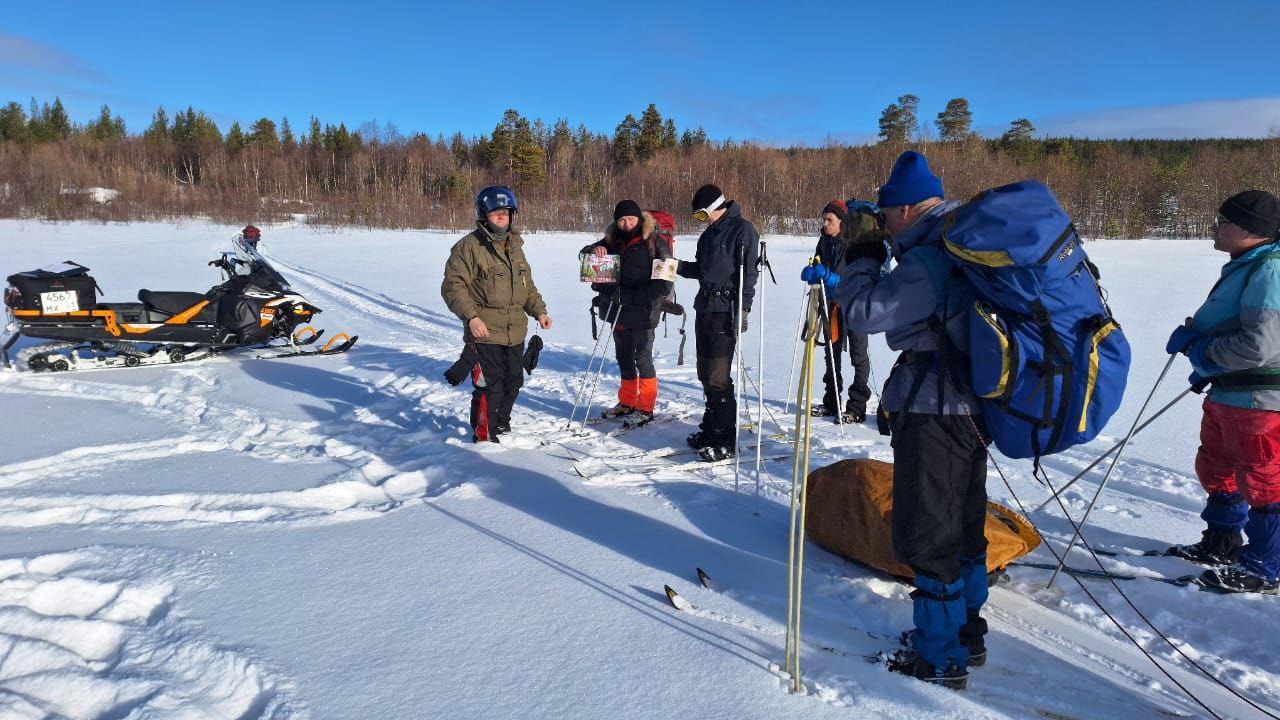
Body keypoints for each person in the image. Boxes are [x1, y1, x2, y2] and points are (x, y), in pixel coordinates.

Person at [814, 151, 985, 690]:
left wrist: (860, 257)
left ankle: (939, 656)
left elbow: (864, 312)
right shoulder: (953, 246)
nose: (884, 224)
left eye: (887, 214)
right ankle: (965, 632)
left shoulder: (930, 260)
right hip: (969, 407)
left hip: (936, 408)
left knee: (929, 532)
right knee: (963, 523)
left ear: (908, 208)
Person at [1165, 189, 1280, 593]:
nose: (1214, 227)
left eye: (1223, 221)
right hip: (1228, 394)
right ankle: (1222, 542)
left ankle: (1266, 567)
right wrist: (1205, 358)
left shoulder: (1270, 271)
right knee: (1215, 467)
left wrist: (1203, 351)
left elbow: (1260, 346)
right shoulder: (1246, 264)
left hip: (1258, 400)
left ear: (1250, 230)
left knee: (1262, 480)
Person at [441, 185, 552, 442]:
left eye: (506, 212)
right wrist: (472, 317)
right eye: (495, 213)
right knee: (490, 387)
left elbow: (527, 286)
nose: (501, 217)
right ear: (484, 214)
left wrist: (539, 311)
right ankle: (484, 435)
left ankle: (500, 424)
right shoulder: (469, 247)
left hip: (515, 332)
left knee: (514, 382)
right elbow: (453, 285)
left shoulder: (515, 248)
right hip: (485, 332)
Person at [677, 184, 759, 461]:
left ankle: (725, 438)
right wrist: (674, 266)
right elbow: (701, 270)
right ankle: (711, 429)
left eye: (701, 215)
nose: (700, 220)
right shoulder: (708, 235)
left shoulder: (742, 230)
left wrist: (744, 309)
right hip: (706, 307)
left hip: (727, 310)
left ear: (714, 207)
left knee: (718, 375)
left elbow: (748, 276)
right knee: (704, 372)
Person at [580, 200, 674, 422]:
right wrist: (595, 250)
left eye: (631, 218)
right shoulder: (612, 240)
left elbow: (665, 283)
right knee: (623, 357)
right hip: (618, 311)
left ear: (639, 219)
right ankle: (628, 401)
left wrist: (630, 297)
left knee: (642, 358)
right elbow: (584, 256)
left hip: (644, 310)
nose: (626, 223)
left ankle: (646, 407)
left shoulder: (655, 242)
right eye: (621, 219)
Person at [811, 200, 879, 423]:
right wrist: (813, 272)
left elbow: (855, 278)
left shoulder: (853, 242)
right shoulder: (824, 240)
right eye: (824, 219)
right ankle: (831, 402)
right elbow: (818, 265)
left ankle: (856, 407)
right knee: (831, 354)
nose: (825, 223)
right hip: (832, 305)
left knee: (858, 356)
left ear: (841, 221)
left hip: (855, 305)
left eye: (829, 219)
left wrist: (831, 278)